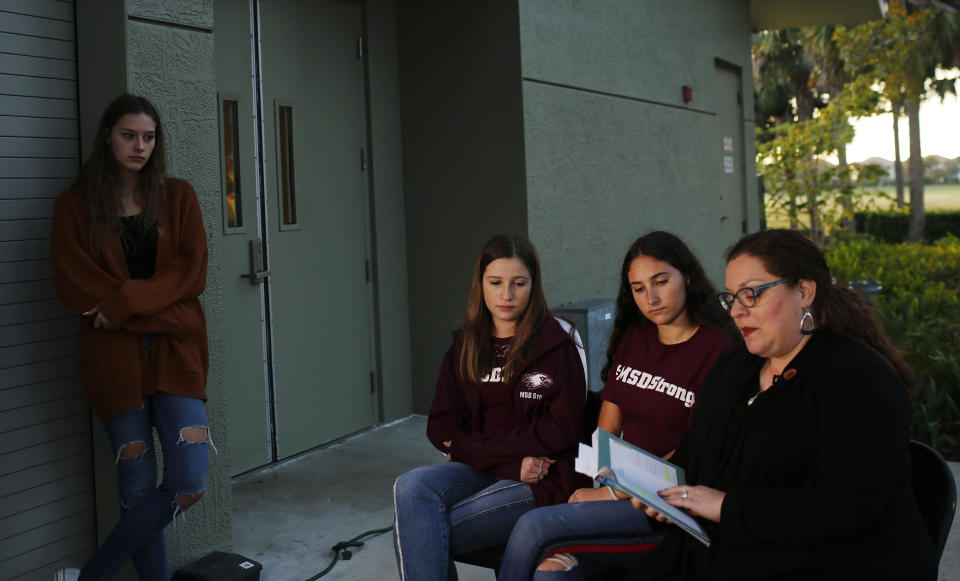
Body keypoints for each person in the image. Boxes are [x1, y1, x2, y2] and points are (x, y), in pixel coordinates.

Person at [626, 229, 937, 580]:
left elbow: (843, 507)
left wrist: (724, 506)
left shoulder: (858, 380)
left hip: (832, 563)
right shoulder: (735, 365)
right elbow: (697, 450)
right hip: (728, 550)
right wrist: (661, 488)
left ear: (803, 292)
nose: (737, 312)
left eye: (752, 295)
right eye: (731, 298)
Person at [497, 231, 736, 581]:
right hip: (616, 485)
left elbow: (695, 450)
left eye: (660, 281)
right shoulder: (635, 337)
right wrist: (601, 481)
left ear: (687, 276)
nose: (651, 297)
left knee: (535, 526)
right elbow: (607, 427)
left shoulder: (717, 349)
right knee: (550, 575)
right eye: (638, 288)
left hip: (663, 502)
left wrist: (612, 492)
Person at [50, 94, 211, 581]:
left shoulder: (178, 196)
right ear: (108, 135)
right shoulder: (74, 207)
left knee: (189, 480)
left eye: (148, 137)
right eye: (128, 135)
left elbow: (192, 274)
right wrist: (162, 312)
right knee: (137, 483)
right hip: (113, 361)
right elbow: (76, 287)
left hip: (176, 355)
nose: (139, 146)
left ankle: (91, 575)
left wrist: (121, 308)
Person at [392, 234, 587, 581]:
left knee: (413, 533)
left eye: (519, 283)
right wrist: (512, 462)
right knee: (411, 488)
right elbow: (441, 428)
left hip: (543, 479)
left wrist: (470, 449)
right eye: (495, 282)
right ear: (480, 284)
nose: (506, 295)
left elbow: (559, 432)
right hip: (498, 469)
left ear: (534, 285)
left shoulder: (558, 343)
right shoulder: (466, 345)